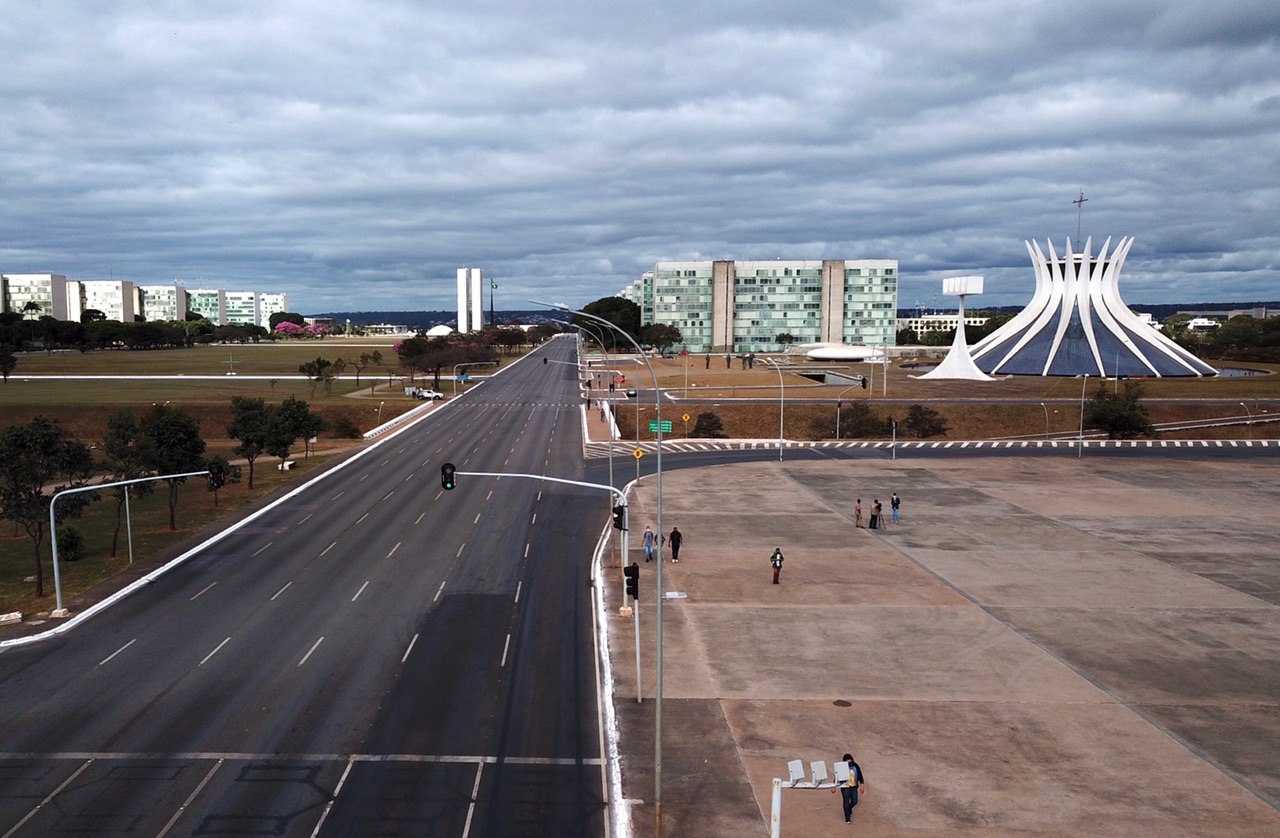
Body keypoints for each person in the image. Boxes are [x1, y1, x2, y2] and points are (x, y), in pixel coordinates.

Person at [830, 753, 865, 822]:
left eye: (850, 761)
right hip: (845, 786)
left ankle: (848, 808)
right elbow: (836, 777)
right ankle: (847, 817)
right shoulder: (841, 767)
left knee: (855, 801)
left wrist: (862, 785)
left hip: (853, 786)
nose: (849, 763)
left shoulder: (855, 766)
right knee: (846, 801)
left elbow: (860, 776)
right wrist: (833, 786)